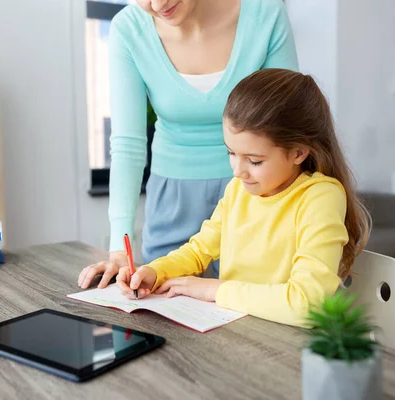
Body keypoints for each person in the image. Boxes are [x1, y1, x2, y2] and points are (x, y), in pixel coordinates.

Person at [114, 68, 372, 327]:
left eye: (255, 160)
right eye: (231, 153)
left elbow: (306, 303)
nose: (237, 171)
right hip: (236, 329)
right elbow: (198, 251)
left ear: (298, 153)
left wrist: (216, 290)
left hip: (290, 343)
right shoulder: (239, 189)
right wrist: (156, 272)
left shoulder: (320, 197)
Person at [78, 0, 298, 289]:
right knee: (165, 314)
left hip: (257, 193)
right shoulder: (128, 29)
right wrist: (120, 250)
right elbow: (127, 145)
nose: (156, 5)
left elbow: (289, 125)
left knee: (251, 315)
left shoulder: (265, 13)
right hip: (173, 200)